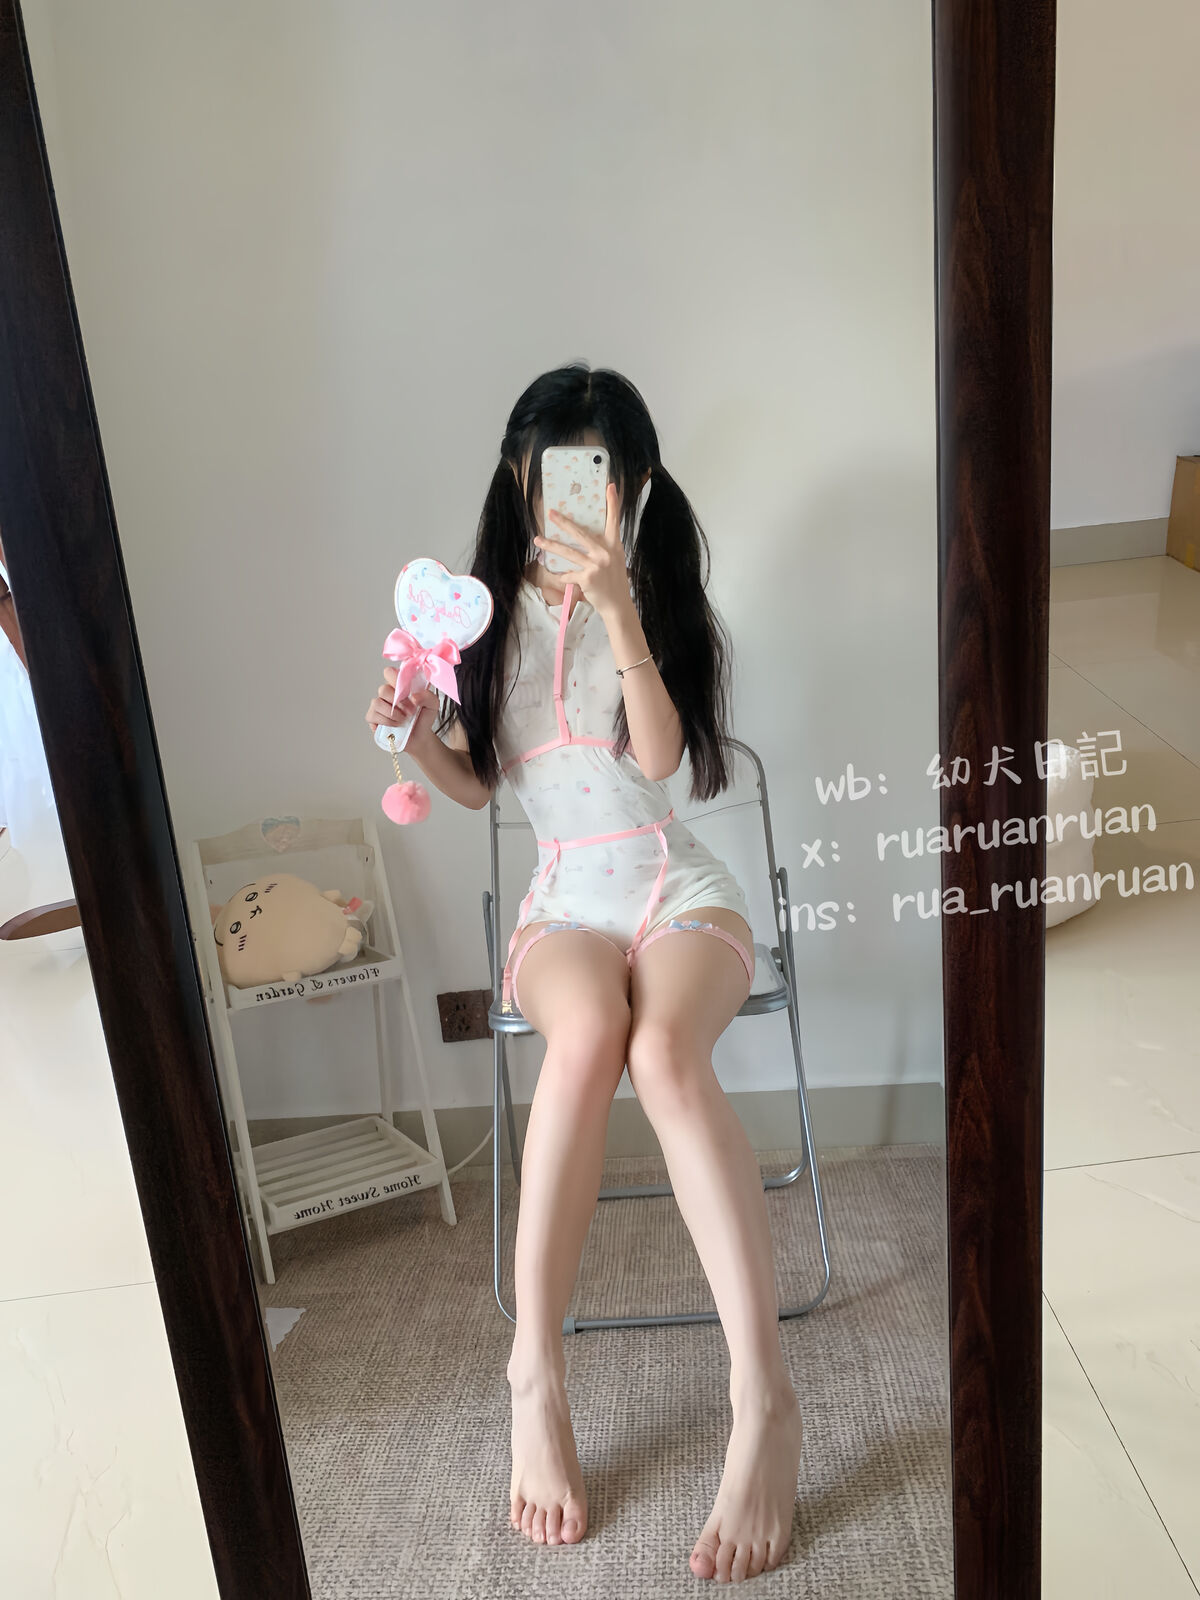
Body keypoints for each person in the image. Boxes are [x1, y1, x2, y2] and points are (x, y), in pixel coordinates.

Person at [366, 365, 803, 1584]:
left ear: (634, 486)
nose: (566, 497)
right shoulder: (476, 617)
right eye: (547, 475)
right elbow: (477, 784)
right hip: (564, 898)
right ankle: (535, 1375)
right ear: (517, 480)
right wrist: (411, 732)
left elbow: (661, 762)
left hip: (673, 885)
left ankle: (764, 1397)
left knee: (662, 1050)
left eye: (596, 476)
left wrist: (616, 609)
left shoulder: (656, 600)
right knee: (586, 1037)